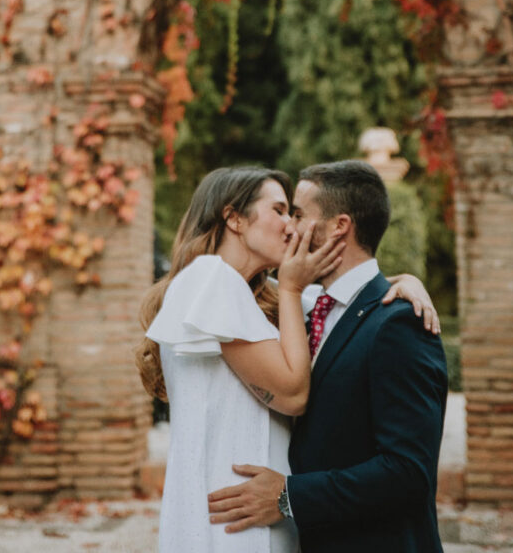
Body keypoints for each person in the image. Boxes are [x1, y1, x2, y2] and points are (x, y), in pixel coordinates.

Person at [137, 165, 439, 553]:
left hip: (267, 514)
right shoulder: (211, 281)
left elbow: (352, 302)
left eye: (293, 213)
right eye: (279, 211)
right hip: (229, 517)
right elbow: (293, 395)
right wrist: (294, 288)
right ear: (233, 218)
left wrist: (408, 283)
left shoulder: (262, 297)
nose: (291, 227)